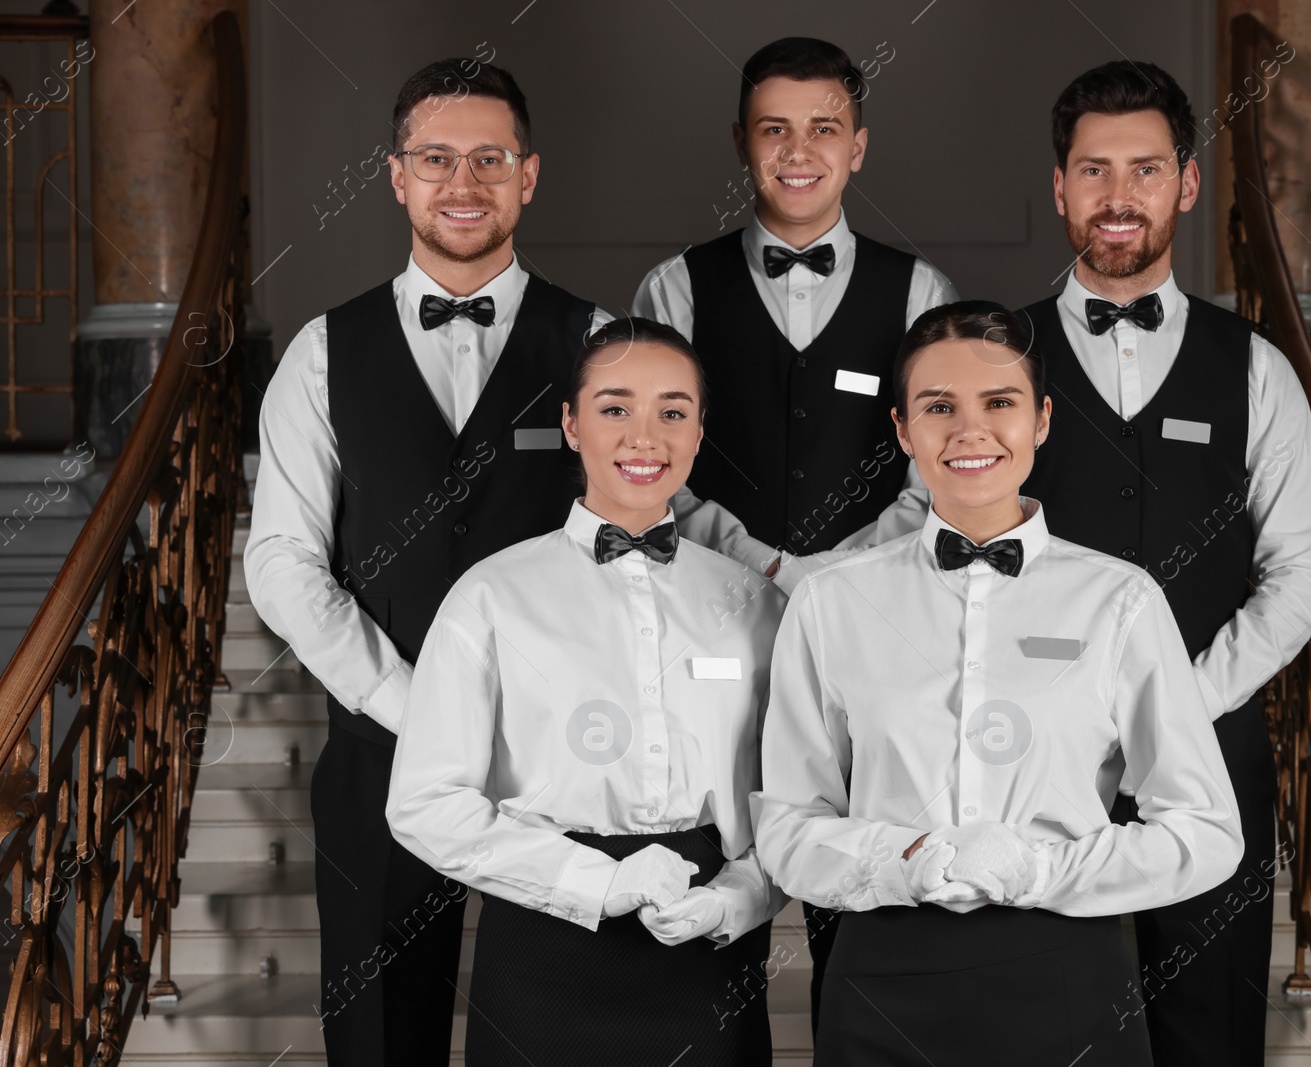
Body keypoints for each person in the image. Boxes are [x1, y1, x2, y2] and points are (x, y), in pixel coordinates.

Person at [244, 58, 621, 1064]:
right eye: (437, 158)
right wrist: (412, 704)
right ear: (396, 175)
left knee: (558, 1024)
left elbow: (637, 537)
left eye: (489, 158)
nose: (464, 182)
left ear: (528, 176)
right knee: (377, 1037)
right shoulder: (322, 351)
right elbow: (282, 561)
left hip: (560, 756)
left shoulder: (600, 344)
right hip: (380, 751)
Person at [753, 302, 1244, 1066]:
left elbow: (1208, 832)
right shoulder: (831, 601)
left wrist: (1040, 867)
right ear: (902, 428)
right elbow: (786, 827)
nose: (969, 430)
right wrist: (903, 859)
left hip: (1069, 977)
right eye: (938, 406)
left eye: (1000, 403)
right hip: (882, 980)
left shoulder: (1122, 600)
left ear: (1042, 420)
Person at [632, 35, 957, 1026]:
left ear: (857, 144)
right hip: (712, 626)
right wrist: (763, 560)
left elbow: (937, 467)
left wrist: (838, 570)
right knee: (713, 867)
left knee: (852, 889)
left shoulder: (919, 291)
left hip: (869, 630)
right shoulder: (674, 288)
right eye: (775, 128)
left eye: (822, 127)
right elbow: (651, 457)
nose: (798, 148)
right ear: (743, 142)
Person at [1015, 62, 1311, 1066]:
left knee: (1210, 1025)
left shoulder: (1256, 368)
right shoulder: (995, 359)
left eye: (1144, 169)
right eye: (1094, 170)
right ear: (1059, 186)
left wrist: (1182, 703)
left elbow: (1301, 574)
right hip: (1028, 755)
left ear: (1185, 185)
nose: (1118, 197)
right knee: (1045, 1023)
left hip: (1208, 756)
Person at [386, 318, 784, 1065]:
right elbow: (424, 802)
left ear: (699, 432)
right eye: (614, 408)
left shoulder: (755, 605)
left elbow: (791, 800)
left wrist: (742, 897)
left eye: (672, 411)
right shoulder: (490, 596)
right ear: (571, 424)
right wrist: (595, 881)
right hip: (545, 950)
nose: (645, 436)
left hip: (708, 957)